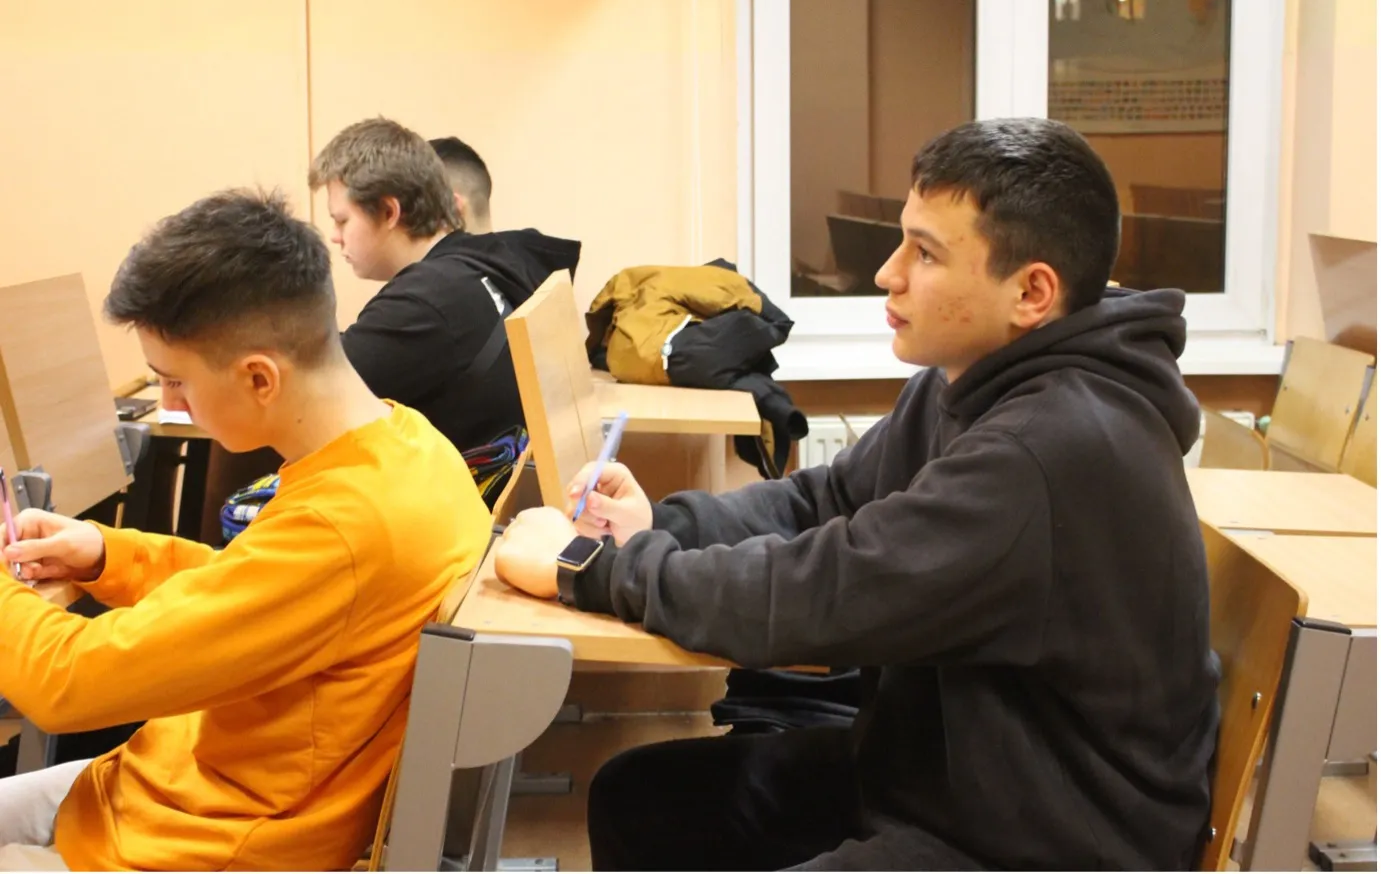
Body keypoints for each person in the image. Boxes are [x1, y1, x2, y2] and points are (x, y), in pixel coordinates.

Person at [492, 117, 1220, 870]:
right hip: (950, 776)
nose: (887, 273)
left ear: (1031, 292)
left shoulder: (1048, 450)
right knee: (641, 795)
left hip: (1043, 838)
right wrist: (660, 525)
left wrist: (589, 567)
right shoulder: (968, 382)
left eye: (925, 253)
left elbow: (821, 594)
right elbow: (826, 501)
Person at [0, 189, 491, 870]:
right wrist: (106, 555)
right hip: (164, 793)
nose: (170, 406)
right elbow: (253, 588)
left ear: (259, 377)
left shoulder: (343, 525)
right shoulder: (405, 442)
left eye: (174, 384)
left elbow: (69, 684)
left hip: (193, 846)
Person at [309, 119, 578, 455]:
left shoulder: (429, 299)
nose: (334, 236)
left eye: (342, 220)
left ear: (389, 212)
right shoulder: (485, 269)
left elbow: (307, 394)